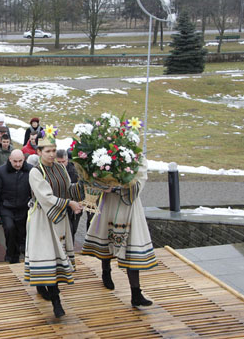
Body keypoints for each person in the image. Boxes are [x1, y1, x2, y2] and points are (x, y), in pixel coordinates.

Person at [80, 159, 157, 307]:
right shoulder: (109, 155)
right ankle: (106, 271)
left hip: (128, 206)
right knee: (106, 237)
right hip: (109, 203)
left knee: (131, 247)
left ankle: (136, 293)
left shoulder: (138, 159)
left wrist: (116, 188)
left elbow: (139, 182)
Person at [25, 131, 83, 318]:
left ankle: (43, 286)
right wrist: (69, 203)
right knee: (47, 256)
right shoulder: (35, 172)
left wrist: (84, 183)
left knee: (54, 256)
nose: (52, 154)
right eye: (48, 151)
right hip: (43, 218)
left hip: (59, 219)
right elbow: (46, 197)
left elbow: (68, 189)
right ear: (40, 152)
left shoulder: (60, 168)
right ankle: (56, 302)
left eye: (54, 150)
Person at [0, 150, 32, 264]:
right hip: (7, 207)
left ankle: (16, 254)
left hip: (23, 206)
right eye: (15, 161)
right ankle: (10, 254)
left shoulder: (31, 170)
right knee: (9, 228)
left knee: (20, 232)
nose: (18, 164)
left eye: (20, 161)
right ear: (9, 159)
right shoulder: (1, 171)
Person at [56, 149, 81, 240]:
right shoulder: (53, 169)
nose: (62, 164)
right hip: (61, 203)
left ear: (67, 160)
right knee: (67, 230)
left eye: (64, 161)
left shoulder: (75, 171)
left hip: (74, 202)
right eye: (59, 162)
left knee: (73, 229)